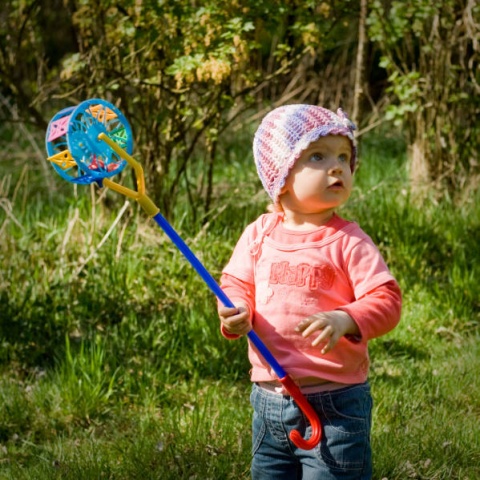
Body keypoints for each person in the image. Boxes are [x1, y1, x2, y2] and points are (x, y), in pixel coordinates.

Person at [217, 104, 402, 480]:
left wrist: (347, 317)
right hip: (269, 402)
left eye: (344, 157)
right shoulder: (259, 233)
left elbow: (387, 301)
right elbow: (236, 283)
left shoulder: (349, 241)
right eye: (318, 156)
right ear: (280, 176)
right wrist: (237, 309)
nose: (337, 167)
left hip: (335, 404)